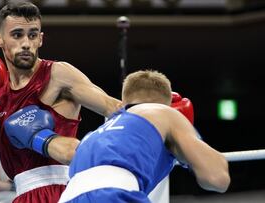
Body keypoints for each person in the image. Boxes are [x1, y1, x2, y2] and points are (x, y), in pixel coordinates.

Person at [0, 1, 121, 202]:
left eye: (32, 35)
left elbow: (113, 107)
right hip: (22, 195)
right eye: (17, 35)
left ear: (40, 39)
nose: (26, 43)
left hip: (64, 191)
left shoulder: (58, 74)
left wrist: (154, 114)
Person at [56, 70, 231, 202]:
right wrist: (188, 147)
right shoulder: (162, 112)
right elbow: (216, 178)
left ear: (124, 103)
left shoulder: (93, 136)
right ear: (167, 102)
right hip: (114, 195)